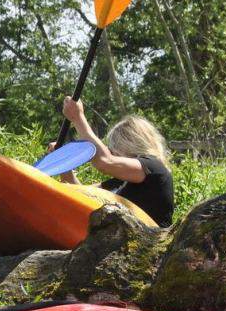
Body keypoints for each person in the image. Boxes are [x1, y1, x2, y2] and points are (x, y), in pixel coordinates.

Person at [56, 96, 175, 227]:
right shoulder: (124, 179)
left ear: (129, 143)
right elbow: (79, 194)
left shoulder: (153, 166)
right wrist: (63, 162)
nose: (111, 151)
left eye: (113, 147)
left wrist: (77, 118)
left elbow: (104, 161)